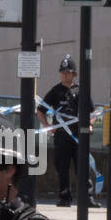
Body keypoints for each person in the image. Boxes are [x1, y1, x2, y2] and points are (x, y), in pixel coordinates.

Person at [36, 55, 98, 207]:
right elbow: (40, 110)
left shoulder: (81, 91)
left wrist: (90, 124)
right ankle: (64, 198)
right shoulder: (55, 91)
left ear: (73, 74)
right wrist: (47, 126)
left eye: (67, 72)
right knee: (62, 168)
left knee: (83, 167)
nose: (64, 74)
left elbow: (93, 112)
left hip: (79, 136)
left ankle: (87, 198)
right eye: (62, 72)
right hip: (62, 136)